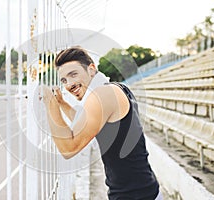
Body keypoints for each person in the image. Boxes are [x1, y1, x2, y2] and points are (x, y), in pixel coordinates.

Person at [41, 46, 162, 200]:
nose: (69, 84)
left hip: (136, 195)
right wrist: (62, 103)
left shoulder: (102, 95)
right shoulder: (115, 88)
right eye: (64, 80)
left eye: (73, 74)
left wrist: (51, 105)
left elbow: (68, 149)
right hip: (144, 190)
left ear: (91, 69)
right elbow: (87, 124)